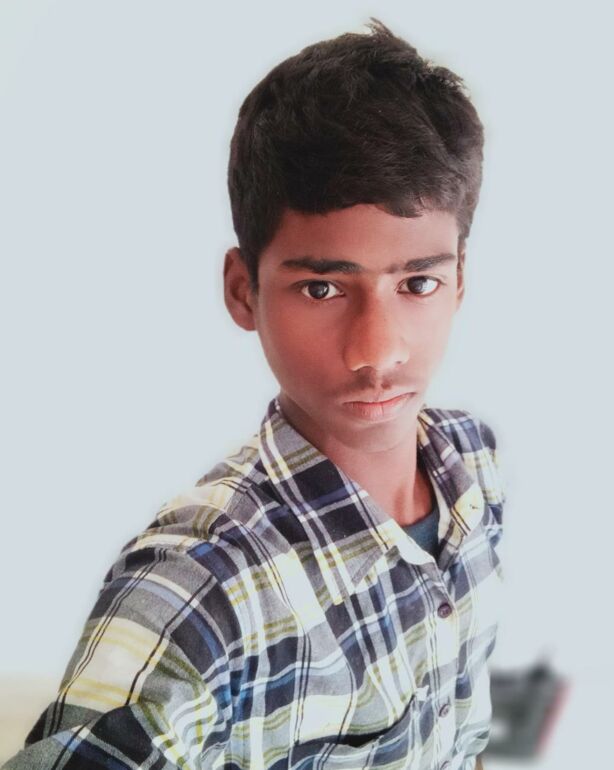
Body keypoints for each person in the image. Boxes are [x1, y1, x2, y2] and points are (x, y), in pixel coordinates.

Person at [4, 19, 504, 770]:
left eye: (418, 283)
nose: (378, 351)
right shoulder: (200, 587)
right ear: (244, 291)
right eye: (323, 287)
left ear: (459, 278)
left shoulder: (473, 466)